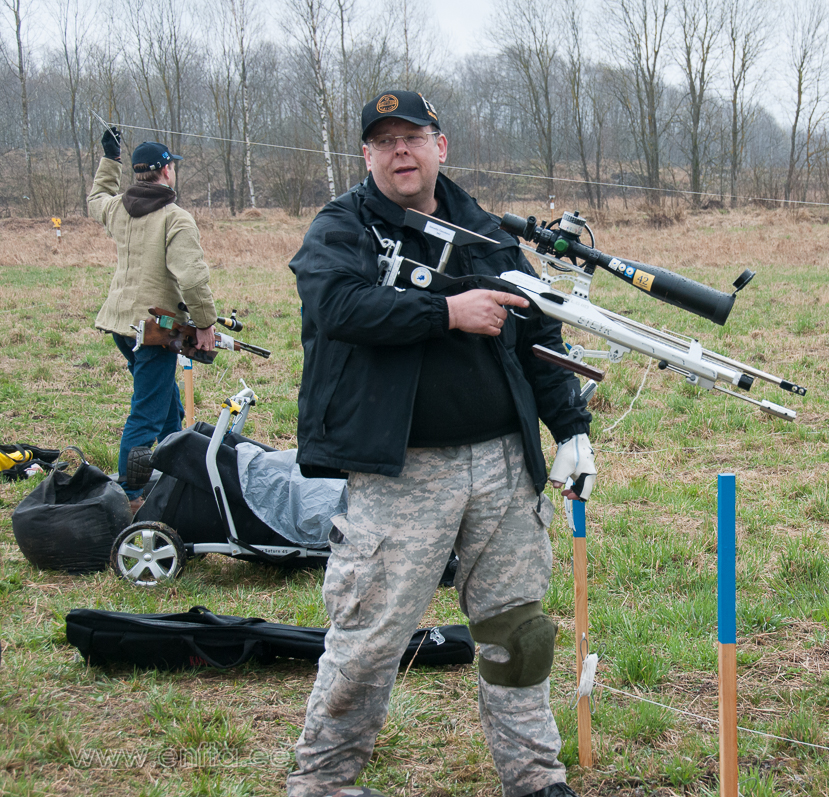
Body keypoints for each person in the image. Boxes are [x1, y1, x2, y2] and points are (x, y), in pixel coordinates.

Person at [287, 91, 596, 797]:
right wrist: (446, 312)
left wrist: (572, 429)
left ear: (440, 146)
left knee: (517, 631)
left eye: (414, 137)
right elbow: (337, 305)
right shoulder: (342, 227)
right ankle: (322, 782)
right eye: (384, 141)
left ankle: (535, 778)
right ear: (367, 155)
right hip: (402, 471)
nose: (401, 150)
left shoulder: (485, 230)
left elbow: (540, 333)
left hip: (503, 465)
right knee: (368, 640)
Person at [88, 131, 217, 505]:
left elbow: (97, 199)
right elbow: (191, 278)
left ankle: (176, 472)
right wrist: (205, 324)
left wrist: (110, 159)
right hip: (154, 332)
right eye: (172, 165)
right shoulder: (175, 217)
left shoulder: (118, 208)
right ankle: (128, 497)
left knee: (166, 403)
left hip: (122, 327)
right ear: (166, 171)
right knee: (146, 414)